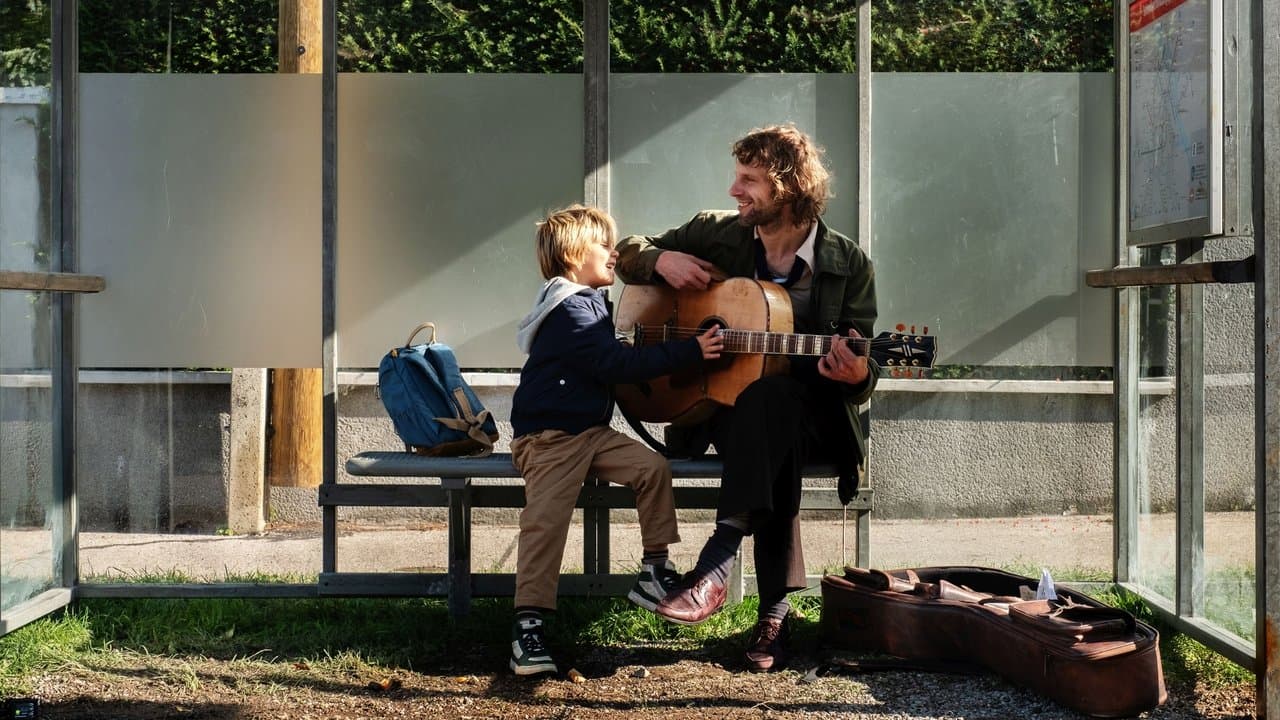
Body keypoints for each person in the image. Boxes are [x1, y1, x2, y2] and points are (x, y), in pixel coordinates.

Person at [614, 124, 879, 672]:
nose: (734, 190)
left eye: (749, 180)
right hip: (720, 411)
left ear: (787, 186)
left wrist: (855, 374)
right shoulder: (717, 233)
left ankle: (716, 563)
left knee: (772, 402)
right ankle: (773, 618)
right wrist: (660, 261)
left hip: (815, 417)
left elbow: (866, 369)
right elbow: (626, 252)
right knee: (765, 414)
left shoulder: (847, 264)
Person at [507, 204, 724, 677]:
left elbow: (610, 359)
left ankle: (653, 571)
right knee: (545, 525)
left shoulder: (589, 303)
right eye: (603, 245)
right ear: (573, 254)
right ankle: (527, 628)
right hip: (550, 440)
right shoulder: (570, 308)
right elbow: (614, 365)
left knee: (652, 469)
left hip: (590, 433)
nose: (614, 253)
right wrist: (690, 351)